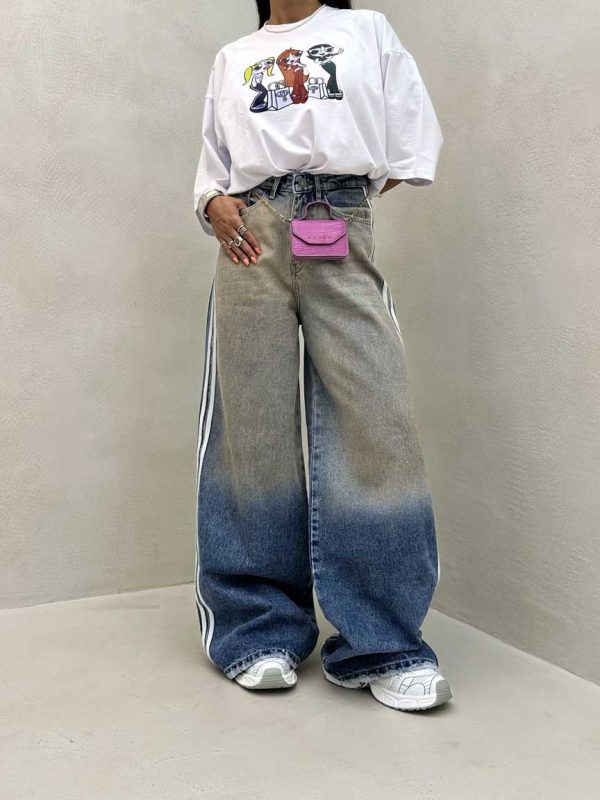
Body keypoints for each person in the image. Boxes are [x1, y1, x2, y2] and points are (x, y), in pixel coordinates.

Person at [192, 0, 452, 712]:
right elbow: (213, 166)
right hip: (250, 239)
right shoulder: (233, 56)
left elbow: (408, 137)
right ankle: (257, 629)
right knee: (252, 428)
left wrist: (338, 198)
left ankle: (384, 641)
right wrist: (214, 202)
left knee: (375, 420)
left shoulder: (365, 29)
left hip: (334, 224)